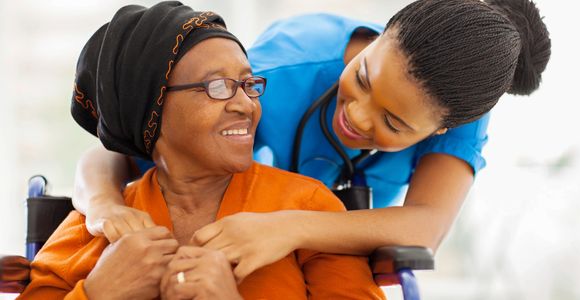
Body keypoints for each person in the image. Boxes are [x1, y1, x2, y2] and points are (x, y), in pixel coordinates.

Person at [73, 0, 551, 282]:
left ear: (441, 129)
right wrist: (102, 205)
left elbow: (425, 226)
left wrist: (290, 227)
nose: (357, 116)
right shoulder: (283, 70)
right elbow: (117, 146)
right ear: (382, 36)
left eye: (394, 123)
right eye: (362, 77)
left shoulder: (458, 111)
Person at [18, 2, 385, 299]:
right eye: (218, 86)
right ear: (152, 109)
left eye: (248, 83)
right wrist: (98, 293)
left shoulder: (307, 208)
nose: (247, 104)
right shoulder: (94, 226)